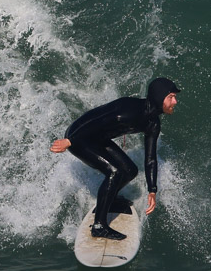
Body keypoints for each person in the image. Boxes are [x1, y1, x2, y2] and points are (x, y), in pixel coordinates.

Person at [50, 78, 180, 241]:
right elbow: (96, 122)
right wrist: (70, 141)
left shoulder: (153, 123)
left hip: (98, 138)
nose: (175, 101)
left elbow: (150, 158)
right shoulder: (128, 113)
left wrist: (152, 190)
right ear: (159, 97)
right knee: (115, 173)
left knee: (130, 171)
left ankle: (109, 201)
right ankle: (99, 226)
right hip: (80, 136)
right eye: (171, 97)